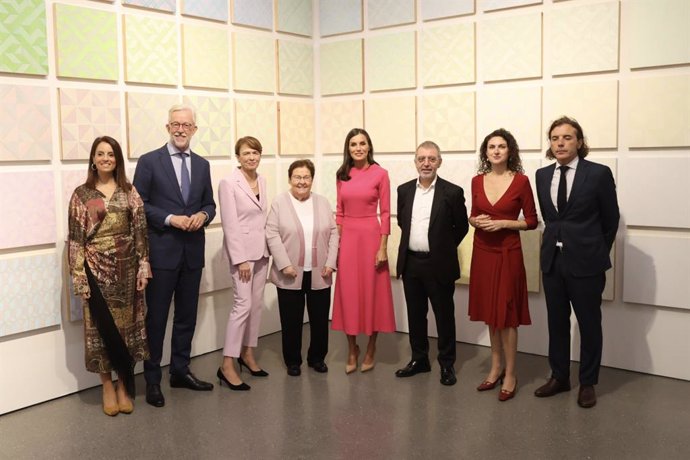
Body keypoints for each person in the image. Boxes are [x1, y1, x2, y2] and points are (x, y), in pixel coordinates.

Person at [133, 104, 216, 407]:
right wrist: (171, 218)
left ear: (194, 129)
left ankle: (180, 371)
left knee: (186, 317)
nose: (181, 129)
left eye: (187, 125)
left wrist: (203, 217)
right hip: (162, 255)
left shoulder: (203, 165)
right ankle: (153, 380)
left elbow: (210, 204)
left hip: (193, 254)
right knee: (155, 320)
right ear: (167, 127)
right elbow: (139, 204)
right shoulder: (149, 161)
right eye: (176, 124)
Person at [534, 116, 619, 408]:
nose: (560, 142)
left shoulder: (598, 174)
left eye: (567, 137)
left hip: (586, 263)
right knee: (556, 323)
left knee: (589, 324)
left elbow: (611, 219)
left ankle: (588, 382)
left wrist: (595, 250)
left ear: (579, 142)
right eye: (555, 138)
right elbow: (550, 218)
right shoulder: (542, 175)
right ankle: (559, 377)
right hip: (553, 263)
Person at [68, 136, 151, 416]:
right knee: (100, 332)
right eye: (100, 154)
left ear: (117, 160)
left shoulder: (129, 191)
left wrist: (143, 267)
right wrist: (79, 277)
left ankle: (124, 385)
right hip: (95, 271)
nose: (106, 158)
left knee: (127, 329)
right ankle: (106, 385)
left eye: (111, 154)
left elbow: (140, 231)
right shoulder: (82, 194)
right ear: (93, 158)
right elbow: (76, 240)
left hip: (127, 271)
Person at [467, 129, 538, 400]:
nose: (496, 151)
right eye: (491, 146)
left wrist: (505, 223)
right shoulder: (476, 181)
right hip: (483, 250)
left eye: (502, 146)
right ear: (486, 152)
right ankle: (495, 367)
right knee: (491, 313)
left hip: (508, 251)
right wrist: (475, 221)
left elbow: (531, 221)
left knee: (507, 316)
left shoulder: (521, 181)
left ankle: (511, 373)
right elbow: (473, 215)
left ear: (510, 151)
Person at [394, 141, 469, 386]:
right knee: (416, 316)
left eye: (432, 159)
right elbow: (403, 224)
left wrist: (442, 247)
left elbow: (462, 227)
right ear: (415, 161)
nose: (426, 163)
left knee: (444, 316)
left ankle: (447, 364)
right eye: (421, 158)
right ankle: (420, 360)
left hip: (439, 264)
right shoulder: (404, 190)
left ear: (439, 162)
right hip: (411, 263)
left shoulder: (452, 192)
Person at [266, 160, 339, 376]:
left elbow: (334, 233)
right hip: (290, 273)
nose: (302, 181)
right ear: (290, 179)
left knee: (319, 320)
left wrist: (330, 262)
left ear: (312, 180)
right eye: (297, 177)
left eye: (306, 177)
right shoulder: (280, 202)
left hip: (320, 271)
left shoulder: (322, 202)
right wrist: (284, 264)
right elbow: (271, 234)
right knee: (291, 321)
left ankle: (317, 358)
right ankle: (293, 361)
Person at [331, 128, 396, 374]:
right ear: (348, 149)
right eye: (353, 144)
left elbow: (387, 212)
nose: (358, 148)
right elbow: (339, 211)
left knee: (373, 293)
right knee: (348, 293)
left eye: (362, 143)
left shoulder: (381, 174)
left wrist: (383, 248)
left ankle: (370, 347)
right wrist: (337, 243)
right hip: (348, 239)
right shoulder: (342, 175)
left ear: (369, 146)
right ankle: (351, 349)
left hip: (371, 237)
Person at [217, 136, 270, 391]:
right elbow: (230, 223)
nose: (252, 157)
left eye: (256, 152)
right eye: (247, 153)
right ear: (238, 156)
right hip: (244, 257)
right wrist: (240, 260)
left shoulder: (263, 180)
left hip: (262, 253)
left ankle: (248, 354)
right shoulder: (229, 182)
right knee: (242, 306)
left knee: (256, 306)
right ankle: (227, 363)